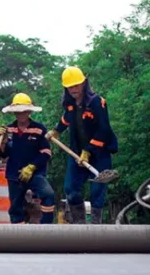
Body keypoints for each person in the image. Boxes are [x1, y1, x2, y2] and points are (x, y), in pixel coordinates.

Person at [49, 66, 118, 224]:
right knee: (71, 190)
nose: (73, 89)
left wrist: (88, 150)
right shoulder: (70, 104)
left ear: (84, 83)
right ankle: (80, 226)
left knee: (97, 192)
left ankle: (95, 229)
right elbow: (67, 118)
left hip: (99, 154)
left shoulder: (96, 102)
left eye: (76, 85)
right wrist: (56, 131)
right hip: (76, 154)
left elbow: (104, 130)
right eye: (70, 87)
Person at [0, 93, 56, 224]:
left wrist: (32, 167)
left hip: (35, 173)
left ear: (29, 111)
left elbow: (46, 152)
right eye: (18, 112)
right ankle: (19, 238)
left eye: (24, 111)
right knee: (15, 208)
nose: (21, 115)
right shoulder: (9, 129)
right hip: (14, 174)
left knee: (48, 195)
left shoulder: (39, 128)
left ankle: (46, 229)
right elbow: (3, 154)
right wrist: (2, 141)